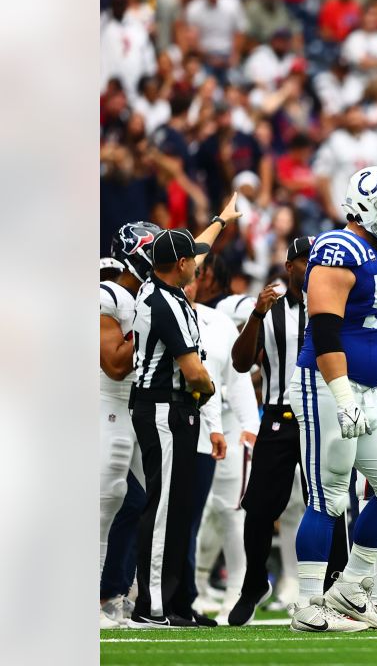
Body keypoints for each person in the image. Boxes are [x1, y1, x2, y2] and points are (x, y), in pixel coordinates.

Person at [286, 166, 377, 634]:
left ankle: (350, 587)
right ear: (362, 206)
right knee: (329, 496)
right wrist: (342, 396)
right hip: (326, 385)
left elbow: (376, 333)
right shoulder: (337, 247)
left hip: (366, 389)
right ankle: (306, 605)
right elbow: (324, 328)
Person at [226, 237, 350, 626]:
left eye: (317, 260)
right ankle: (252, 584)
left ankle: (335, 586)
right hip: (280, 415)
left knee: (331, 501)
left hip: (326, 412)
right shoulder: (271, 308)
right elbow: (241, 363)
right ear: (288, 264)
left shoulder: (337, 304)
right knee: (261, 506)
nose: (312, 266)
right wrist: (257, 316)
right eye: (304, 260)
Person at [128, 228, 218, 627]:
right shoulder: (162, 302)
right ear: (180, 264)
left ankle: (175, 600)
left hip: (177, 408)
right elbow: (194, 371)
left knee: (179, 508)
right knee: (163, 508)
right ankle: (151, 606)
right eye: (192, 259)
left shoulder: (166, 291)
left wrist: (220, 220)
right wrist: (210, 387)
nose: (198, 264)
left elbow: (196, 244)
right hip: (163, 407)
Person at [99, 221, 161, 628]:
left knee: (134, 501)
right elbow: (116, 364)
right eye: (153, 252)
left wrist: (221, 222)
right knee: (104, 504)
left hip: (129, 411)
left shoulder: (136, 295)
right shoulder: (109, 294)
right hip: (103, 404)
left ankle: (112, 595)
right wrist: (148, 329)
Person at [186, 270, 257, 623]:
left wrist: (250, 424)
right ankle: (188, 587)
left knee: (231, 511)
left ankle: (237, 589)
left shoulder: (219, 321)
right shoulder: (157, 310)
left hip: (226, 425)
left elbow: (238, 375)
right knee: (187, 511)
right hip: (180, 424)